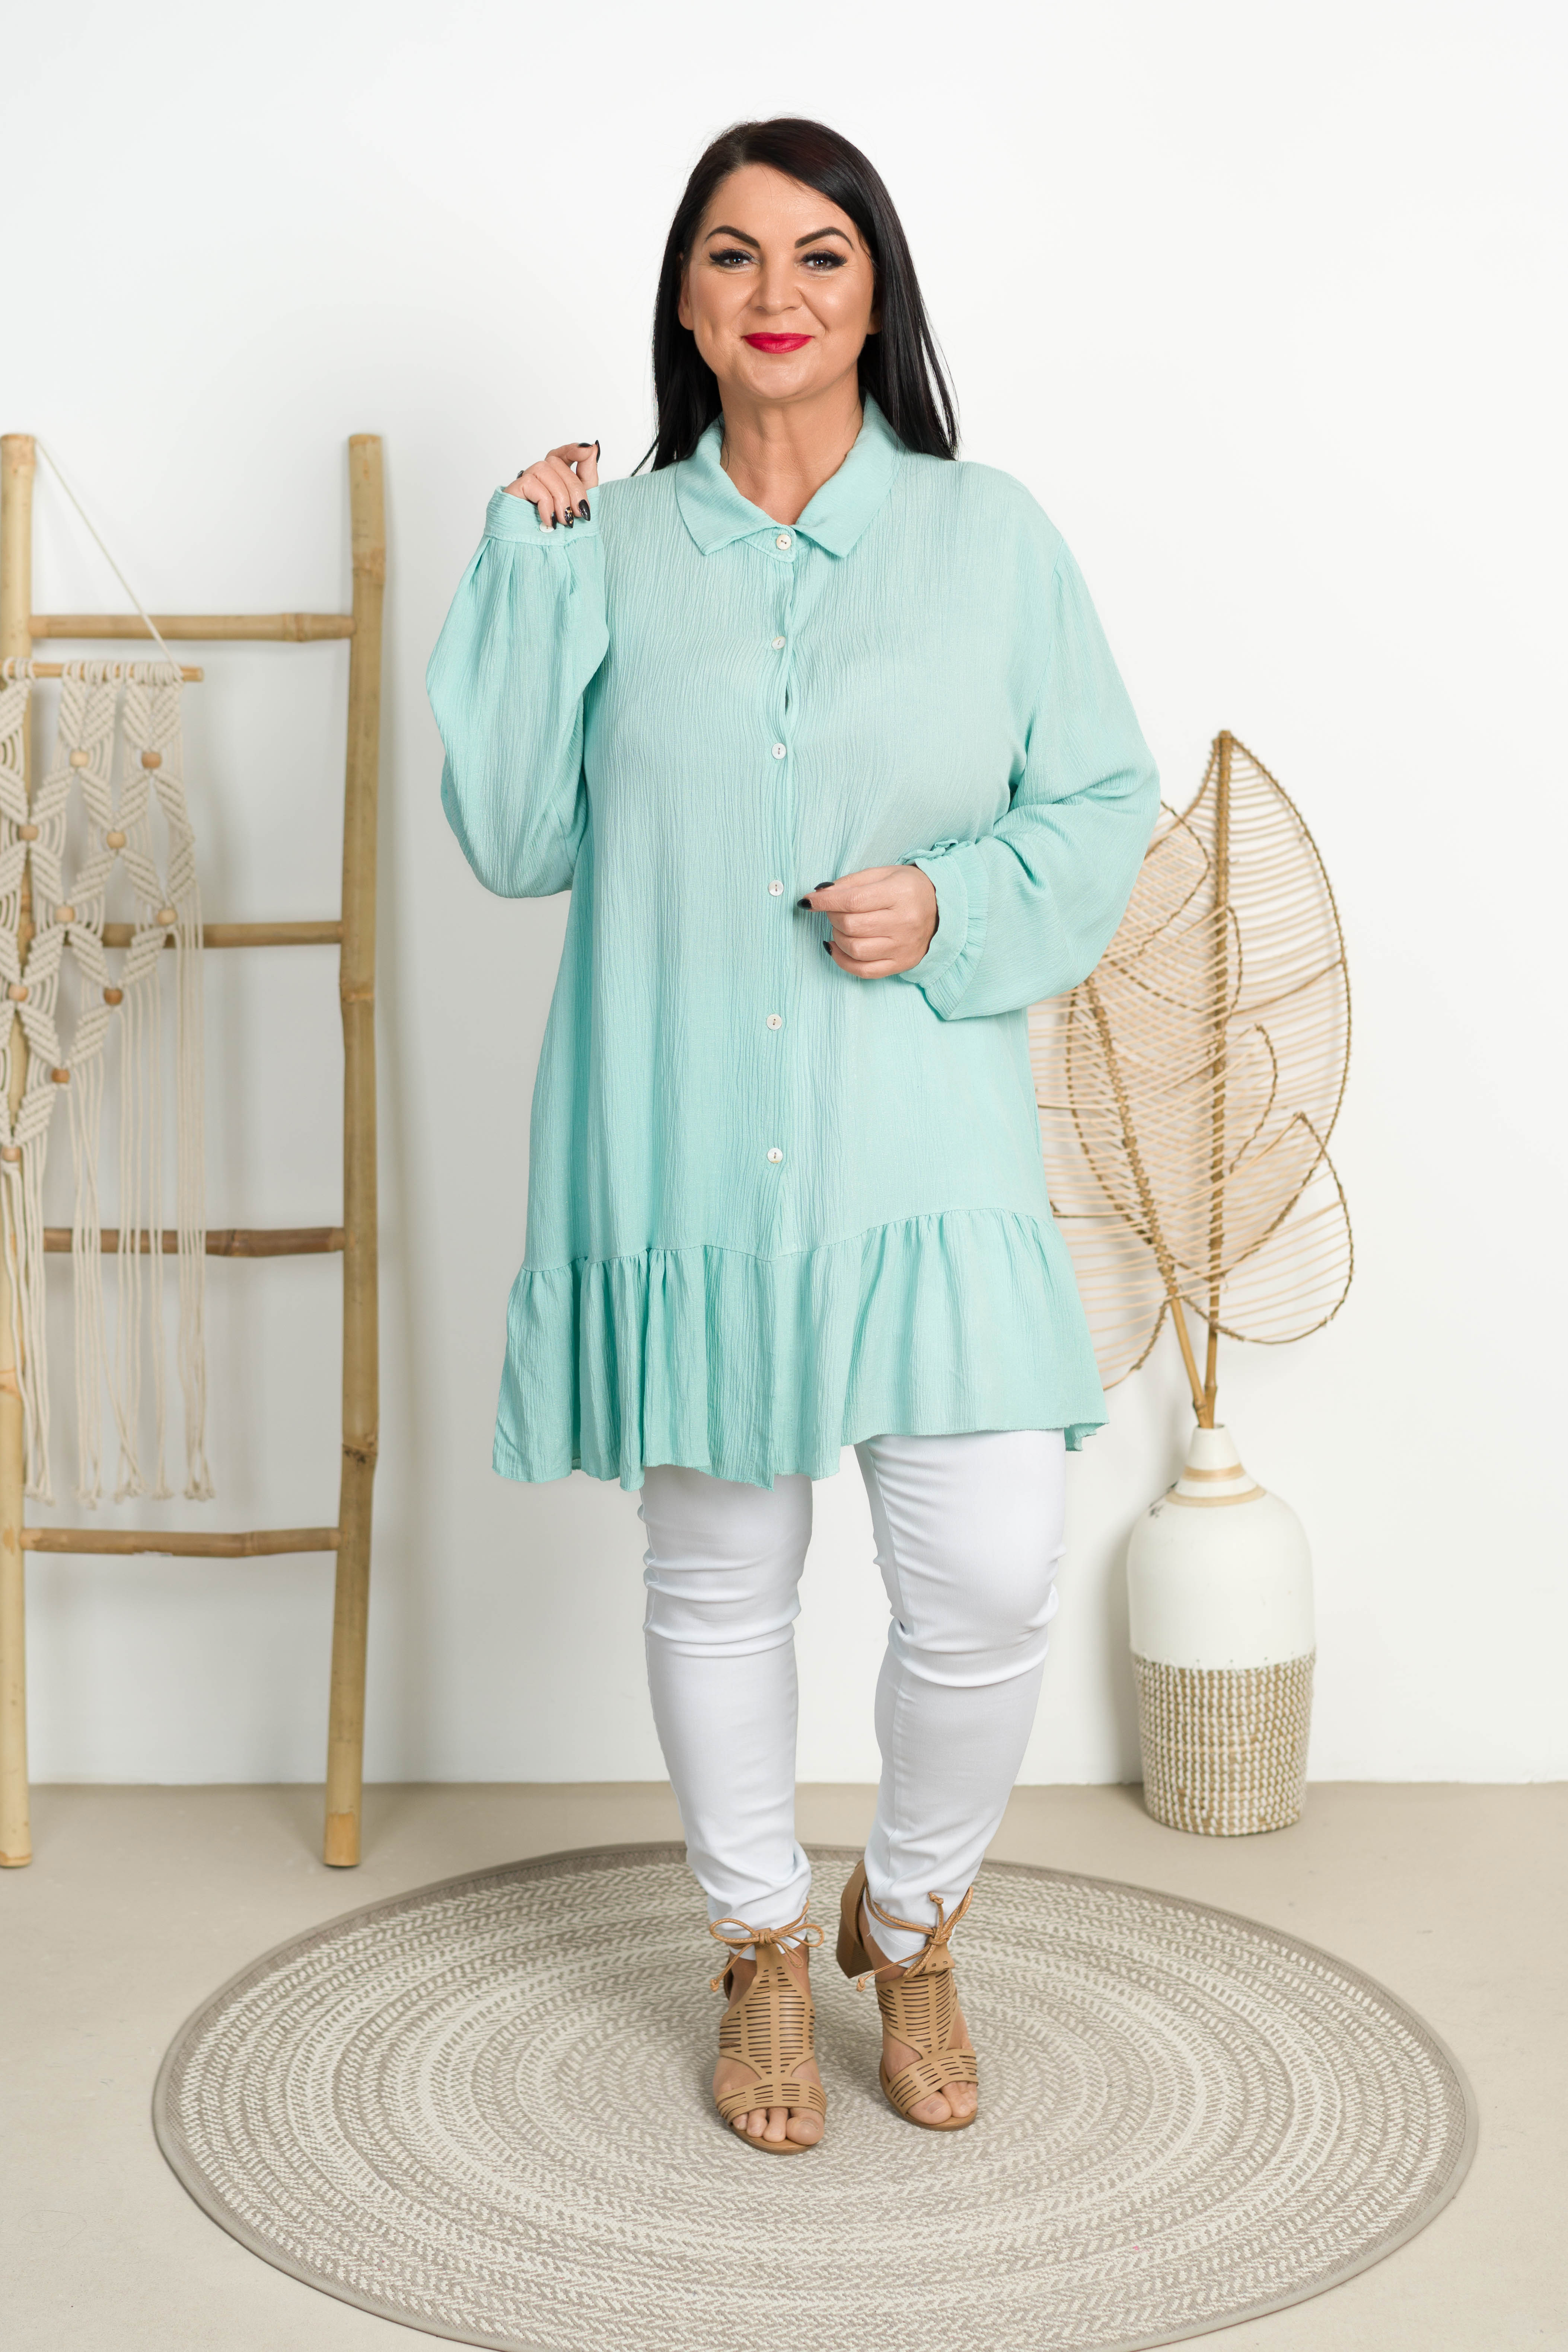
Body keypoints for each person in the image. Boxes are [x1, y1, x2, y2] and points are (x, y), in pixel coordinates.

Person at [428, 116, 1159, 2156]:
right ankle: (757, 1941)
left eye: (821, 255)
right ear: (684, 298)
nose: (776, 292)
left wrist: (954, 902)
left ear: (875, 294)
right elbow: (514, 836)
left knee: (988, 1577)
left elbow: (1101, 799)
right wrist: (525, 573)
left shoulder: (989, 537)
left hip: (920, 1153)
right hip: (682, 1150)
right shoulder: (605, 546)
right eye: (734, 255)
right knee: (720, 1578)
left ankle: (908, 1922)